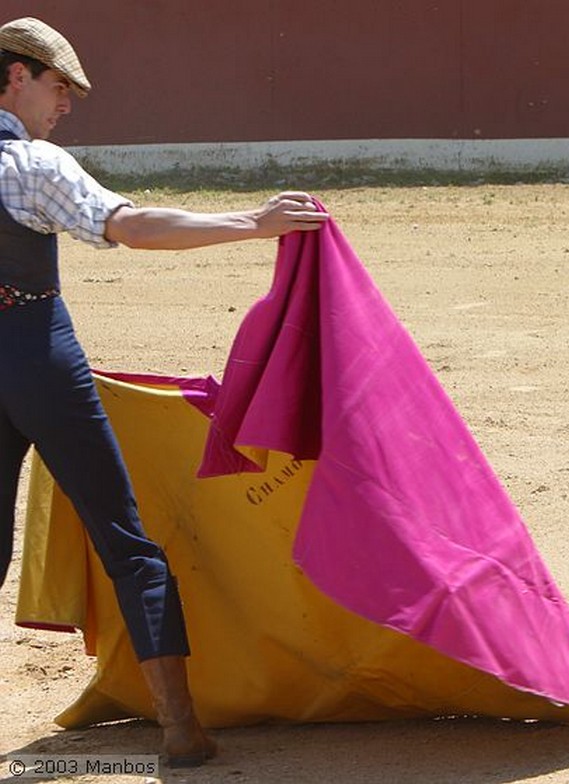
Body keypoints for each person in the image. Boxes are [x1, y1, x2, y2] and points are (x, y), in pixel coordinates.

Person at [0, 17, 328, 767]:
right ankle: (180, 727)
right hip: (37, 359)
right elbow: (135, 226)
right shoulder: (31, 165)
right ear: (15, 77)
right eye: (58, 88)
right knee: (126, 542)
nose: (67, 106)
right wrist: (255, 221)